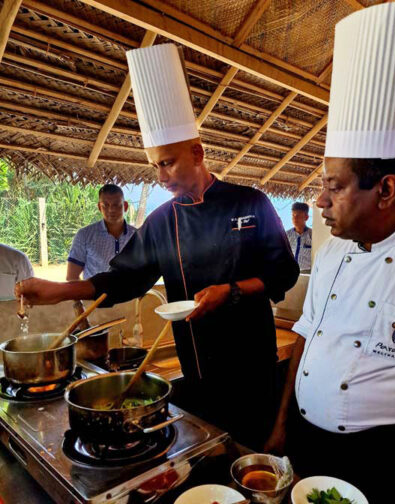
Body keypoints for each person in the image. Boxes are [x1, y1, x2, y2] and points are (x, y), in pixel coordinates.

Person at [16, 43, 299, 450]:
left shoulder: (250, 203)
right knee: (209, 453)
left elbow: (283, 275)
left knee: (252, 454)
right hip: (197, 367)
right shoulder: (163, 220)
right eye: (155, 166)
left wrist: (232, 291)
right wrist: (59, 291)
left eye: (167, 162)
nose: (161, 174)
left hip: (252, 365)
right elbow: (124, 278)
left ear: (197, 152)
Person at [266, 1, 395, 504]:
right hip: (306, 446)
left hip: (388, 464)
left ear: (386, 190)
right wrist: (280, 428)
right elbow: (305, 339)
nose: (319, 201)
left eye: (335, 186)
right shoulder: (333, 252)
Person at [66, 184, 136, 280]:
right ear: (99, 207)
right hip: (94, 295)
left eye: (116, 204)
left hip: (129, 295)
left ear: (125, 206)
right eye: (105, 205)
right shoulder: (85, 235)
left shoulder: (136, 236)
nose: (111, 210)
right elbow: (72, 277)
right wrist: (89, 294)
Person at [286, 202, 312, 272]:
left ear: (306, 217)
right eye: (293, 215)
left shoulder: (312, 235)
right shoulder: (286, 235)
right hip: (289, 271)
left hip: (307, 272)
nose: (295, 218)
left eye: (298, 215)